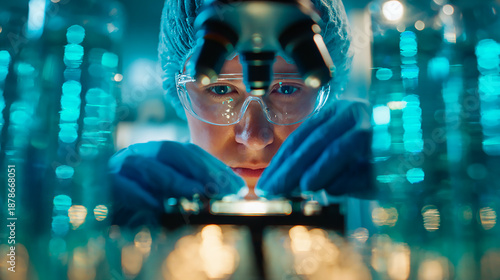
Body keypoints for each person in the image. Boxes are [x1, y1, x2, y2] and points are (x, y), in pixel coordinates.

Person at [109, 0, 372, 226]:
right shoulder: (137, 216)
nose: (255, 138)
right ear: (181, 93)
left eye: (287, 89)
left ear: (324, 97)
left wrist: (406, 188)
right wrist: (92, 224)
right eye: (221, 89)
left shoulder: (368, 215)